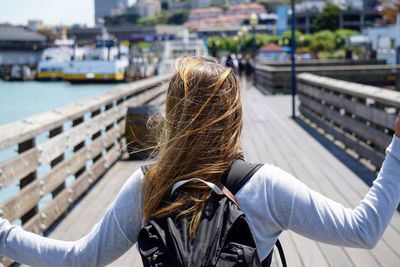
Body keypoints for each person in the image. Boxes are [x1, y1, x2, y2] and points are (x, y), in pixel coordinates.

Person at [1, 55, 400, 266]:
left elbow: (80, 259)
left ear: (172, 115)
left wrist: (4, 235)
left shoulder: (146, 186)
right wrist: (396, 146)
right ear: (234, 116)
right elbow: (363, 231)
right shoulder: (265, 186)